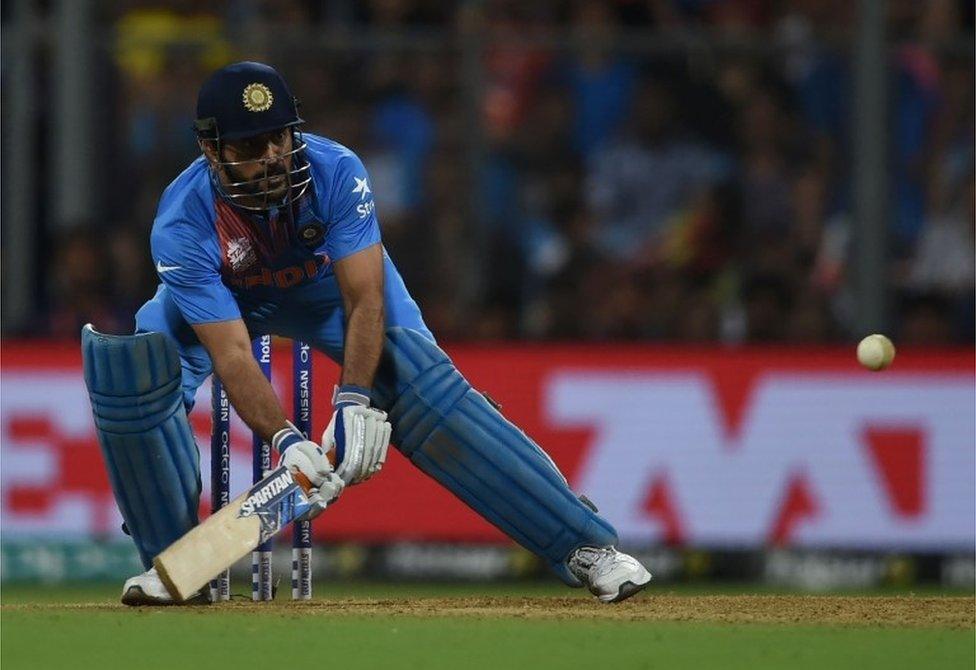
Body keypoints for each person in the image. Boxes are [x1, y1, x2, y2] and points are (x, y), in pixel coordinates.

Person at [81, 62, 651, 606]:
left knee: (422, 387)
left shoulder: (336, 170)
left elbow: (365, 298)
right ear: (212, 150)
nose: (275, 157)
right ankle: (176, 566)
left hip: (326, 291)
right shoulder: (183, 220)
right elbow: (231, 351)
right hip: (229, 301)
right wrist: (287, 440)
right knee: (132, 372)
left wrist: (353, 399)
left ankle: (584, 546)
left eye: (281, 137)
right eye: (253, 147)